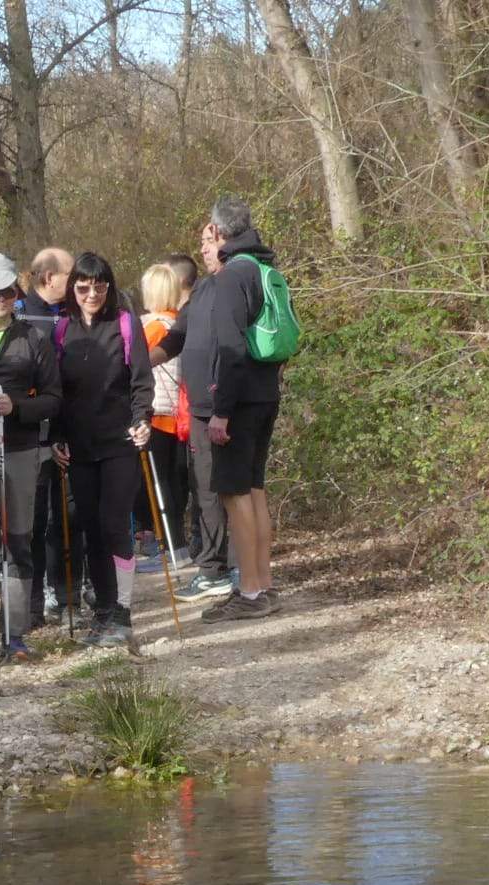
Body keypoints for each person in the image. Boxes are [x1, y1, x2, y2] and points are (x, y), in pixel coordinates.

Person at [154, 197, 284, 621]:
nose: (205, 247)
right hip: (260, 396)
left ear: (222, 233)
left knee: (234, 492)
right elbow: (180, 338)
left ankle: (248, 592)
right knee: (254, 489)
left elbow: (229, 348)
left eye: (208, 236)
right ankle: (262, 584)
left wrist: (222, 411)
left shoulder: (233, 278)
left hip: (233, 405)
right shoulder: (255, 271)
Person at [50, 251, 154, 649]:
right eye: (82, 286)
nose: (91, 293)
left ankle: (123, 612)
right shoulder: (62, 332)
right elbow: (58, 392)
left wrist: (142, 419)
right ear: (72, 289)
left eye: (99, 285)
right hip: (79, 444)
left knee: (115, 524)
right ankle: (104, 610)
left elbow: (141, 381)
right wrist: (56, 435)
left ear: (108, 288)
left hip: (120, 441)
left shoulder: (125, 325)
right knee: (90, 528)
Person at [0, 251, 60, 661]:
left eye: (7, 291)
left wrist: (16, 408)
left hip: (18, 450)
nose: (1, 299)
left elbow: (55, 398)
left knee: (19, 539)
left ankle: (14, 633)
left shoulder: (33, 339)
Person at [155, 247, 233, 602]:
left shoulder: (223, 291)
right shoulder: (196, 301)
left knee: (216, 488)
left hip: (219, 408)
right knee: (207, 487)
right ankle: (218, 564)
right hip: (201, 411)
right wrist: (134, 365)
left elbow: (232, 350)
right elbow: (172, 343)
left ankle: (219, 568)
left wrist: (224, 407)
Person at [19, 247, 73, 621]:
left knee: (70, 515)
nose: (78, 283)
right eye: (70, 275)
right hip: (34, 431)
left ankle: (70, 594)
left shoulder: (75, 312)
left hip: (71, 426)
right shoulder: (22, 316)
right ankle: (33, 604)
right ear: (47, 277)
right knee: (35, 521)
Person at [138, 262, 190, 569]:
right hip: (176, 414)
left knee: (159, 484)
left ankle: (169, 548)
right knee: (173, 482)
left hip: (157, 412)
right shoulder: (179, 323)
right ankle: (177, 547)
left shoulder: (155, 327)